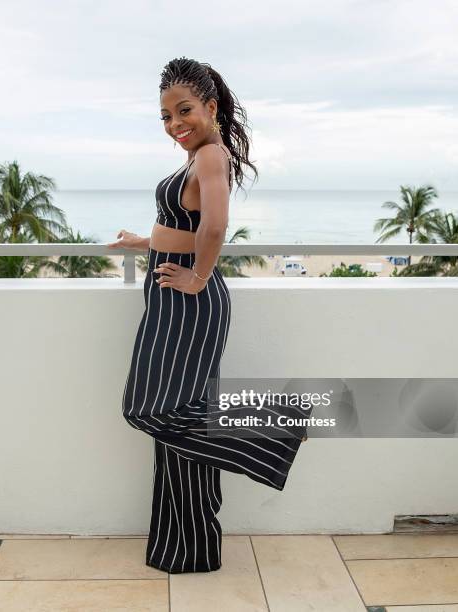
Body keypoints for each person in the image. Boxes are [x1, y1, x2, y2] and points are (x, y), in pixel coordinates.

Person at [108, 56, 306, 574]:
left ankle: (275, 425)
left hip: (189, 301)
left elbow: (215, 228)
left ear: (211, 107)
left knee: (146, 407)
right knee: (176, 425)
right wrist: (144, 241)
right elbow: (187, 223)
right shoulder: (196, 157)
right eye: (166, 117)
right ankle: (187, 548)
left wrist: (195, 277)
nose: (176, 125)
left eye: (184, 111)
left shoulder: (211, 155)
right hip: (171, 295)